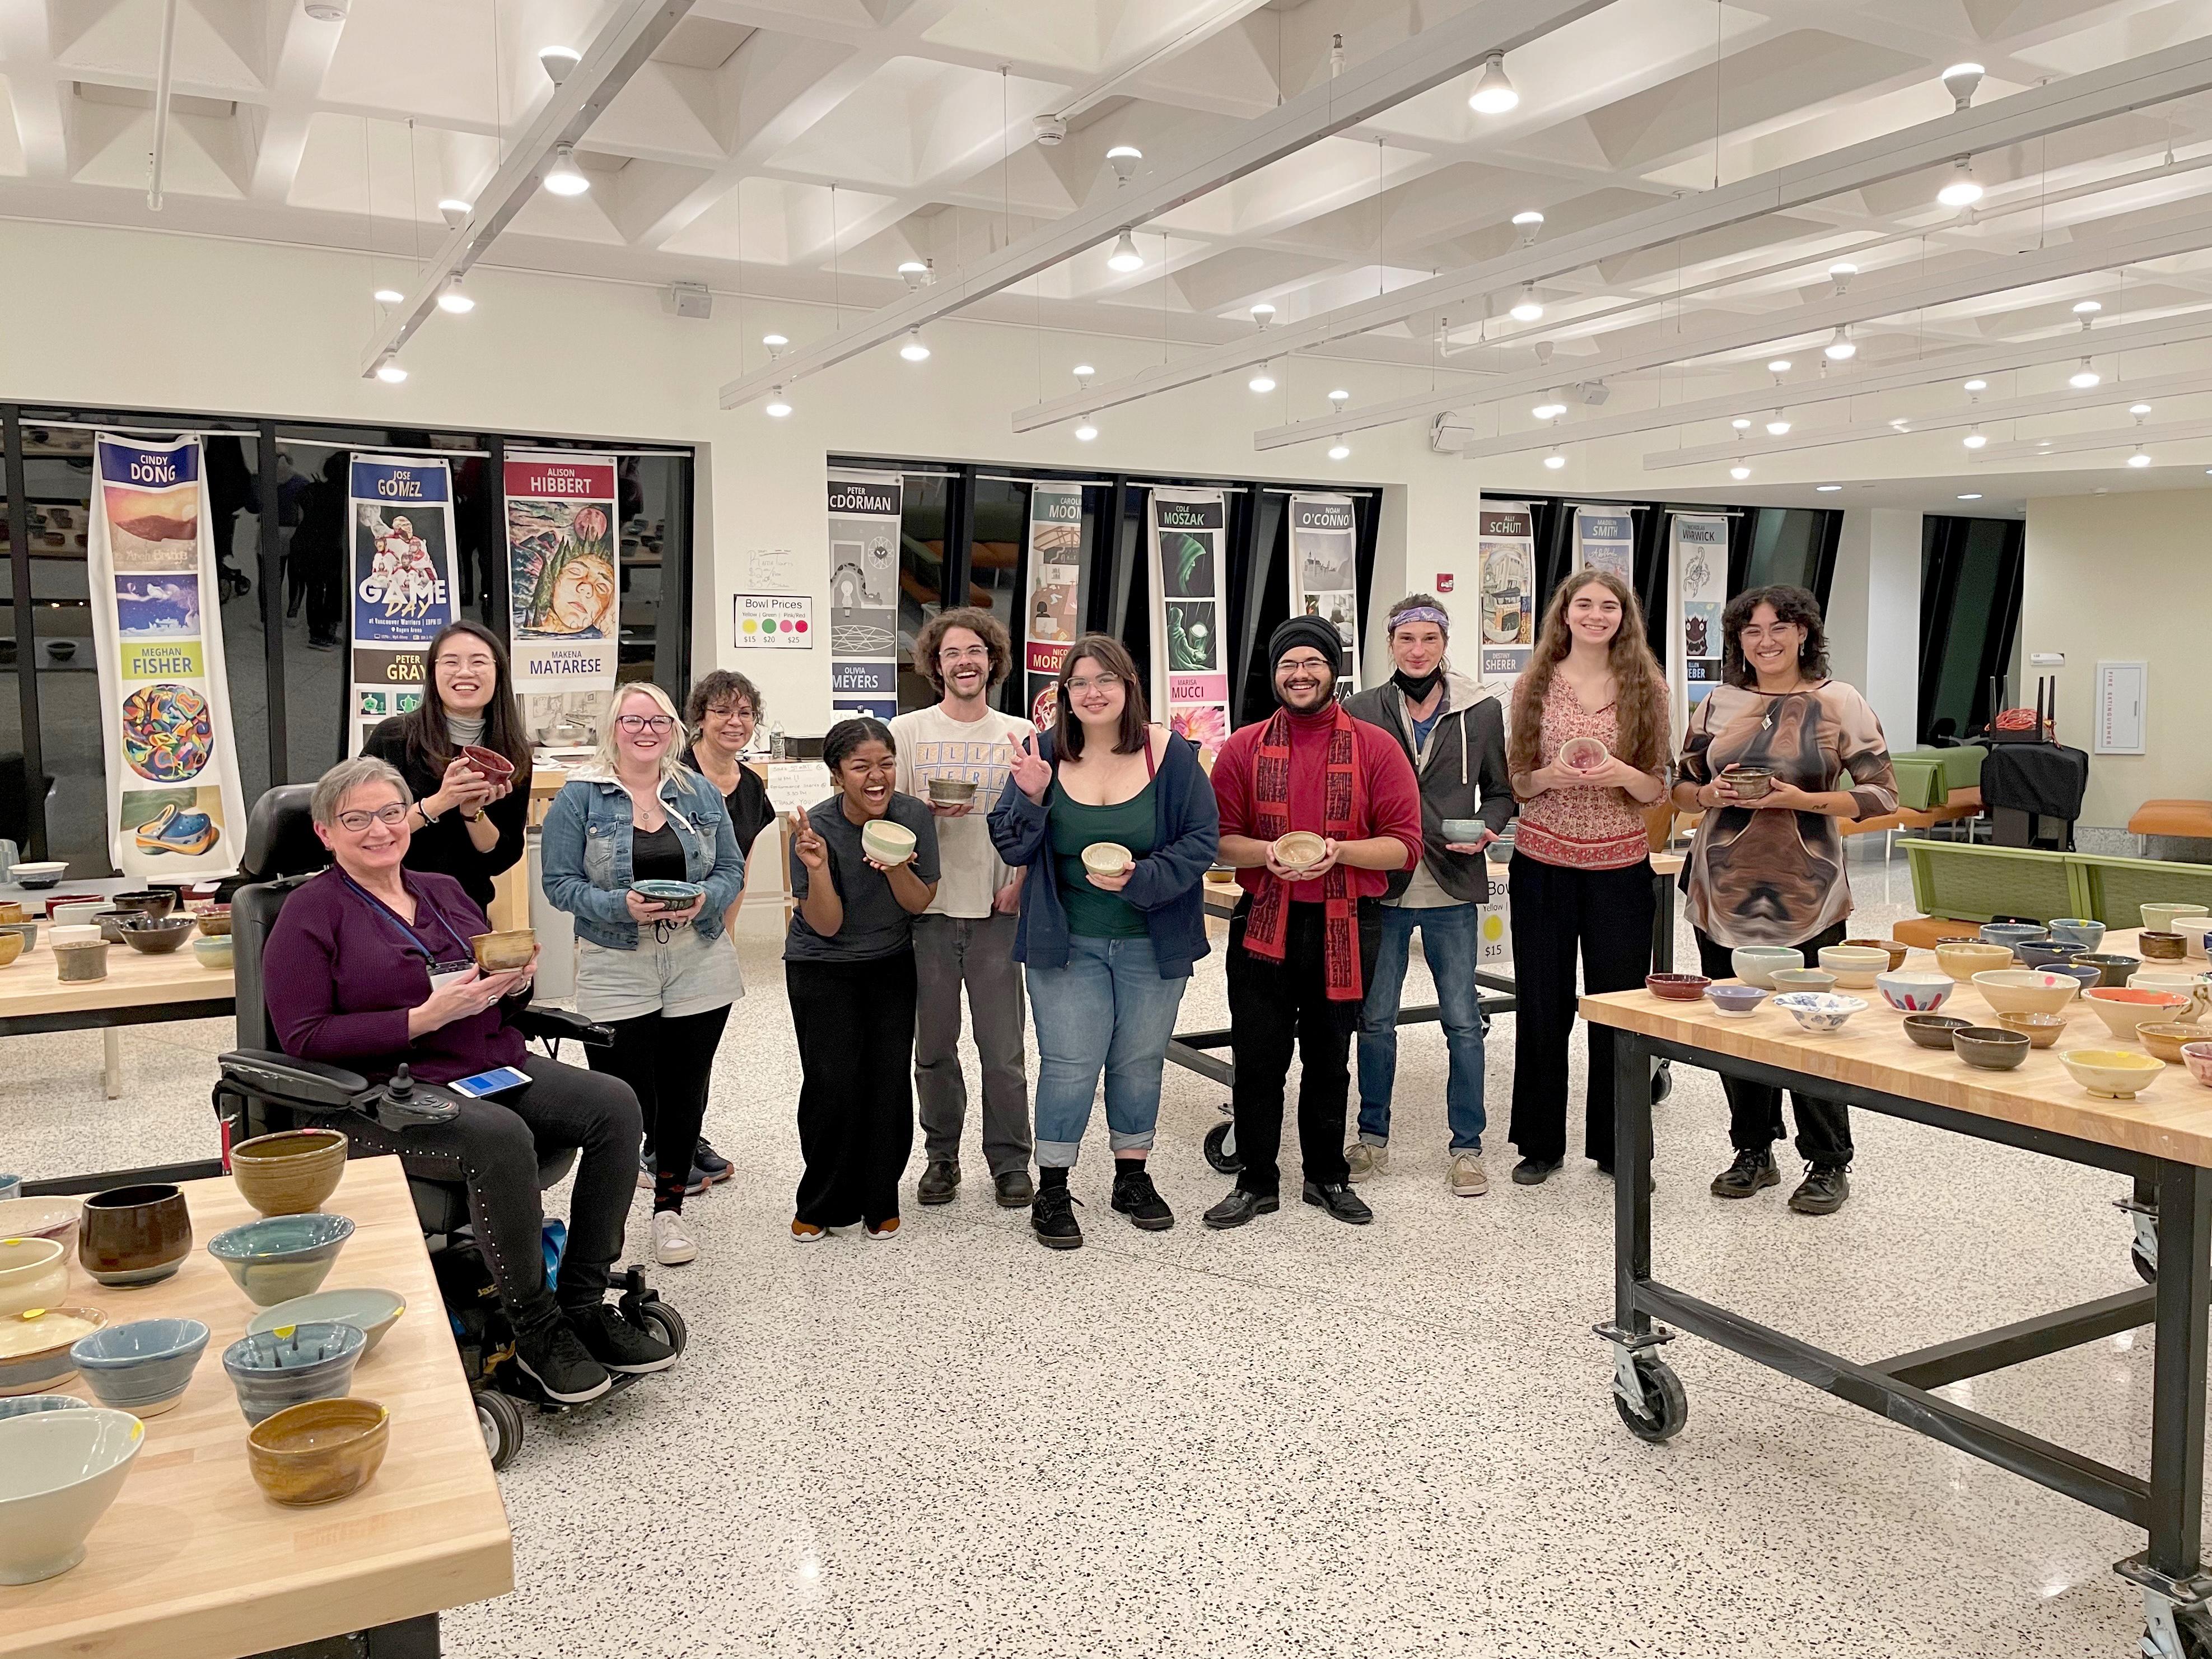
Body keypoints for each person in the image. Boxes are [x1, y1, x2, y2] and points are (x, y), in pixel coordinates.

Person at [264, 756, 674, 1406]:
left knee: (614, 1104)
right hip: (379, 1096)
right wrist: (418, 1019)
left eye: (391, 812)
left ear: (409, 818)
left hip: (482, 1063)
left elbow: (488, 988)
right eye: (357, 819)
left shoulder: (442, 890)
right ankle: (535, 1331)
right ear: (325, 833)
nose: (379, 829)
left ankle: (584, 1304)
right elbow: (304, 1036)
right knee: (499, 1137)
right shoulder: (307, 915)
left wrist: (514, 984)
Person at [1673, 584, 1898, 1216]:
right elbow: (1681, 788)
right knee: (1735, 1027)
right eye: (1750, 631)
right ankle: (1752, 1150)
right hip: (1719, 889)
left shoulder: (1837, 702)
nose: (1764, 641)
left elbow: (1882, 795)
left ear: (1803, 633)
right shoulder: (1717, 703)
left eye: (1778, 627)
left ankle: (1827, 1160)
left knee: (1810, 1025)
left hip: (1808, 890)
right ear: (1737, 640)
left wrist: (1800, 801)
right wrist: (1710, 794)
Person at [989, 636, 1218, 1250]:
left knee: (1138, 1061)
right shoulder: (1040, 753)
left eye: (1106, 680)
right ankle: (1054, 1186)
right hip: (1066, 941)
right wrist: (1033, 794)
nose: (1093, 692)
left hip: (1152, 938)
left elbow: (1201, 841)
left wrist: (1140, 878)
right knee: (1068, 1064)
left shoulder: (1169, 755)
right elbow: (1010, 844)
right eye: (1079, 682)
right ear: (1063, 694)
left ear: (1128, 687)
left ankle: (1131, 1177)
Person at [1202, 618, 1422, 1231]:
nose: (1299, 675)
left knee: (1329, 1057)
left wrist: (1340, 852)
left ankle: (1326, 1175)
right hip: (1262, 923)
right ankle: (1255, 1180)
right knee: (1257, 1057)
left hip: (1348, 922)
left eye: (1311, 663)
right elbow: (1219, 841)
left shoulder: (1375, 746)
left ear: (1333, 670)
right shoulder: (1244, 746)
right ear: (1273, 675)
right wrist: (1266, 854)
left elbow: (1405, 846)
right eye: (1286, 665)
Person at [540, 682, 745, 1267]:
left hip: (698, 955)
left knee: (686, 1085)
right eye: (633, 721)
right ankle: (606, 1219)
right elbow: (559, 884)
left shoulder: (698, 791)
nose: (645, 731)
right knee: (622, 1096)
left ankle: (669, 1210)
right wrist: (617, 906)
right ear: (613, 728)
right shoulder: (579, 797)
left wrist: (704, 898)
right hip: (615, 958)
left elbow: (729, 866)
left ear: (674, 730)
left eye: (657, 721)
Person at [1341, 595, 1513, 1198]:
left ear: (1444, 644)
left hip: (1452, 882)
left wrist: (1489, 827)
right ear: (1389, 643)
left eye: (1429, 640)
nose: (1417, 650)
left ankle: (1466, 1148)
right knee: (1375, 1020)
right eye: (1406, 639)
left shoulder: (1480, 710)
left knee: (1463, 1022)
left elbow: (1500, 791)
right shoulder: (1359, 709)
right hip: (1381, 886)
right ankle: (1371, 1139)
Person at [1504, 569, 1672, 1186]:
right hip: (1541, 864)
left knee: (1617, 1011)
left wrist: (1618, 775)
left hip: (1619, 869)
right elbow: (1518, 779)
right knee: (1542, 1006)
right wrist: (1550, 777)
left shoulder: (1646, 686)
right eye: (1584, 605)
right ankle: (1539, 1142)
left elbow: (1657, 785)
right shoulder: (1533, 683)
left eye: (1608, 606)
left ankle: (1616, 1144)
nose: (1596, 615)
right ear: (1564, 614)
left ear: (1623, 617)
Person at [890, 608, 1037, 1211]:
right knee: (933, 1049)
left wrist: (1021, 881)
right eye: (952, 653)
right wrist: (922, 808)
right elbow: (885, 815)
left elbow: (1037, 813)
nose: (965, 661)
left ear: (992, 660)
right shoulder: (906, 731)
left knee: (1003, 1052)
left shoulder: (1019, 731)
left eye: (975, 650)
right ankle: (941, 1157)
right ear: (935, 663)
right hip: (927, 910)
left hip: (997, 910)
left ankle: (1009, 1162)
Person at [786, 718, 941, 1241]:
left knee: (887, 1082)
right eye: (861, 767)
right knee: (832, 1083)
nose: (877, 778)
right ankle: (824, 1199)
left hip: (890, 962)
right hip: (822, 966)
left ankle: (880, 1197)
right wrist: (820, 866)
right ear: (837, 774)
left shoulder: (913, 815)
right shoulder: (815, 830)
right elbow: (825, 925)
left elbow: (921, 902)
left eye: (886, 764)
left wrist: (895, 865)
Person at [673, 668, 777, 1191]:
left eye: (744, 713)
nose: (734, 722)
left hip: (713, 927)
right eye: (722, 711)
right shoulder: (671, 774)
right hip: (659, 929)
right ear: (700, 717)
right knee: (661, 1042)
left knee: (699, 1044)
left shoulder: (751, 785)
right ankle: (656, 1145)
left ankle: (686, 1135)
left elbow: (741, 866)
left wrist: (725, 938)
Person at [362, 621, 531, 915]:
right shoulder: (395, 737)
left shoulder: (512, 754)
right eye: (451, 662)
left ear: (498, 672)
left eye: (478, 662)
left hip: (464, 912)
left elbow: (501, 858)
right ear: (434, 672)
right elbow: (361, 831)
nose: (465, 672)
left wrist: (472, 812)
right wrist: (441, 802)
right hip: (387, 907)